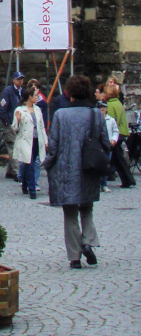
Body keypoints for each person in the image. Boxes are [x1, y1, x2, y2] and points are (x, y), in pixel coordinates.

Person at [43, 74, 111, 269]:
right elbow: (105, 143)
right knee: (87, 209)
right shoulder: (96, 114)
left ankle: (74, 257)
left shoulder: (60, 115)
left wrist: (47, 164)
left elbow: (53, 147)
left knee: (70, 212)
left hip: (66, 170)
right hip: (89, 169)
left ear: (70, 93)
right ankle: (88, 241)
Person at [12, 87, 47, 199]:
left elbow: (41, 126)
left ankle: (25, 184)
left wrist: (45, 140)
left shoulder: (37, 110)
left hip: (37, 139)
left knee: (30, 162)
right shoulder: (20, 110)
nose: (37, 97)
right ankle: (32, 189)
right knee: (30, 163)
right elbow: (14, 128)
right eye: (35, 95)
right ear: (30, 97)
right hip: (25, 140)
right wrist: (17, 120)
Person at [104, 77, 136, 188]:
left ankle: (128, 179)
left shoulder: (111, 105)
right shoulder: (118, 103)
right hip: (121, 132)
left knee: (118, 159)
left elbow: (112, 121)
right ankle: (126, 179)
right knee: (118, 158)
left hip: (115, 135)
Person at [0, 71, 25, 178]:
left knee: (15, 146)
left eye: (22, 79)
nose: (20, 81)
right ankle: (16, 172)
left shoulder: (22, 92)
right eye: (18, 79)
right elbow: (2, 107)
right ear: (13, 80)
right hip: (10, 123)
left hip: (20, 123)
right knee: (13, 147)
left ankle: (10, 171)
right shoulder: (8, 91)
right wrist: (6, 122)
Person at [97, 99, 119, 192]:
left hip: (108, 145)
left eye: (104, 107)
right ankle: (97, 184)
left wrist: (114, 140)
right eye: (100, 107)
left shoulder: (111, 120)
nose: (102, 109)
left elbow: (115, 131)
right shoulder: (95, 120)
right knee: (97, 165)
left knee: (106, 165)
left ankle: (104, 183)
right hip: (98, 145)